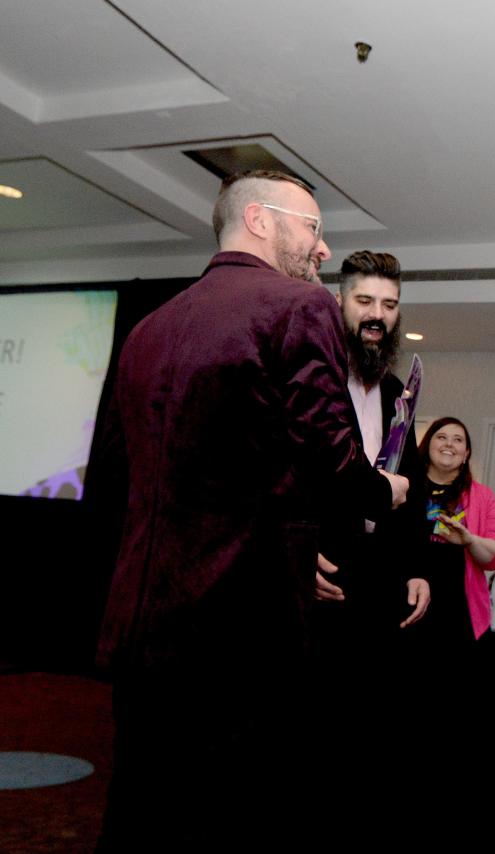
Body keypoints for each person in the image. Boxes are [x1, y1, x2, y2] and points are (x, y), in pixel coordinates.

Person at [95, 170, 409, 852]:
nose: (323, 251)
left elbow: (119, 474)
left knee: (140, 809)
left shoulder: (148, 328)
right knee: (233, 817)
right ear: (261, 221)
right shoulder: (298, 307)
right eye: (314, 229)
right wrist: (384, 490)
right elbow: (332, 455)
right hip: (237, 628)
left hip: (142, 624)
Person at [309, 250, 431, 847]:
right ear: (340, 304)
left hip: (376, 584)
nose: (377, 315)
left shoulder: (395, 395)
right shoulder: (310, 377)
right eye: (365, 302)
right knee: (310, 733)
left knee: (370, 728)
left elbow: (407, 490)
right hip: (319, 577)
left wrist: (416, 568)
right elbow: (275, 476)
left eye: (388, 304)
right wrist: (294, 551)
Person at [400, 415, 495, 850]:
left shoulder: (480, 497)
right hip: (406, 617)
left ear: (467, 454)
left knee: (452, 724)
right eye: (441, 437)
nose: (449, 444)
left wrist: (469, 540)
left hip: (460, 623)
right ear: (426, 445)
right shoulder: (403, 490)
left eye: (458, 440)